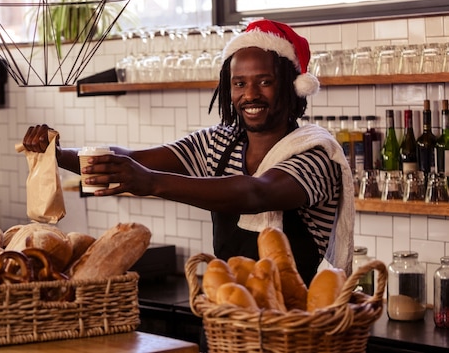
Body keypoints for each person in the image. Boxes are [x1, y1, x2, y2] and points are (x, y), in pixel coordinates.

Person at [22, 19, 355, 284]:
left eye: (264, 81)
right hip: (230, 312)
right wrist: (58, 153)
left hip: (301, 319)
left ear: (292, 85)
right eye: (239, 83)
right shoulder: (219, 142)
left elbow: (256, 193)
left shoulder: (316, 152)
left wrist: (151, 183)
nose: (249, 94)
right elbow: (133, 160)